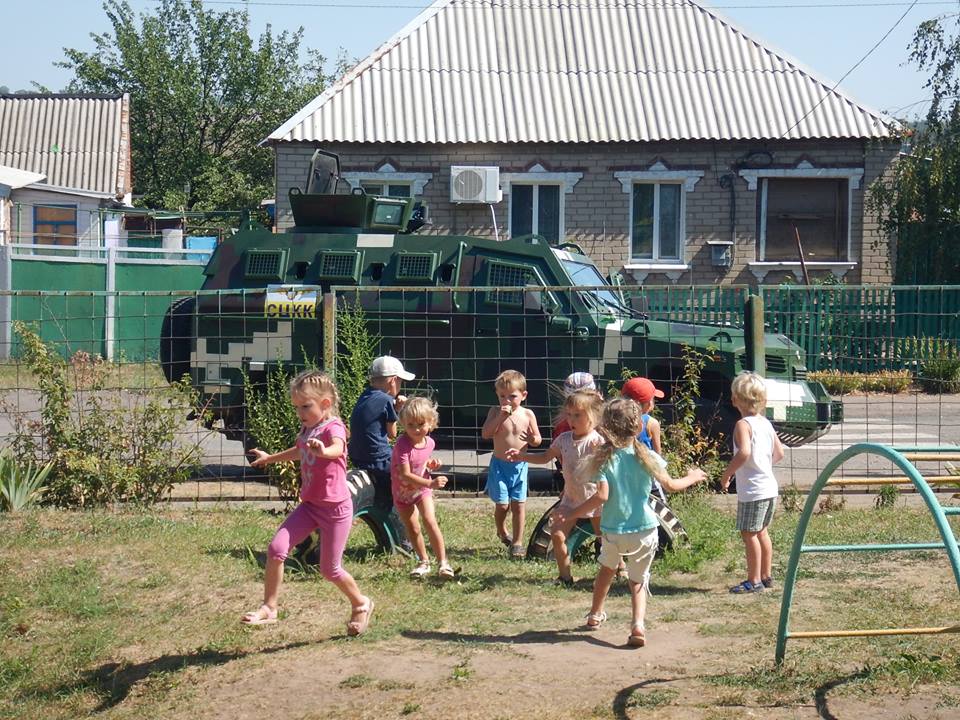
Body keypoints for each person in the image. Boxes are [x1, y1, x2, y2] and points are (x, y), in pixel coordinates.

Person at [555, 397, 706, 647]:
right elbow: (671, 485)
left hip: (613, 530)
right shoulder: (647, 457)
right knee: (638, 579)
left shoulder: (604, 459)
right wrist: (693, 476)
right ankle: (637, 625)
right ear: (638, 428)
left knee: (606, 570)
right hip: (645, 529)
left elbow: (601, 496)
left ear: (604, 428)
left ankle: (595, 614)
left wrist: (571, 514)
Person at [243, 370, 374, 635]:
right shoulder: (308, 428)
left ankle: (361, 604)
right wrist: (270, 458)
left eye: (306, 406)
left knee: (330, 569)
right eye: (296, 407)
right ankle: (269, 607)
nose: (300, 412)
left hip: (336, 510)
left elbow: (338, 447)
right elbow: (299, 450)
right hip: (311, 506)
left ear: (325, 404)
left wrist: (324, 451)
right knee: (276, 549)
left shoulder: (333, 426)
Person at [507, 389, 604, 585]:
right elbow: (544, 457)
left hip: (594, 499)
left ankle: (620, 569)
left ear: (593, 416)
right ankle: (565, 577)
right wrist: (522, 456)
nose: (571, 420)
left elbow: (608, 469)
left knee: (605, 539)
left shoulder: (596, 442)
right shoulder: (564, 439)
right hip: (571, 498)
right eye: (569, 415)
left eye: (577, 415)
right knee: (557, 536)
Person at [720, 371, 784, 594]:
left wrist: (728, 473)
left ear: (736, 399)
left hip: (753, 490)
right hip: (769, 486)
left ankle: (753, 580)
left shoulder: (743, 425)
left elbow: (744, 452)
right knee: (762, 531)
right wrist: (763, 465)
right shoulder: (764, 422)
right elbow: (779, 453)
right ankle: (766, 576)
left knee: (749, 534)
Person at [348, 355, 415, 552]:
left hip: (358, 457)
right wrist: (399, 409)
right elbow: (392, 434)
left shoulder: (365, 396)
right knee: (406, 487)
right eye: (401, 381)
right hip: (378, 458)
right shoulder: (387, 400)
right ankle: (407, 539)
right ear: (393, 380)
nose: (401, 385)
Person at [391, 397, 455, 579]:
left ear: (431, 422)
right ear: (403, 424)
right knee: (413, 528)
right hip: (403, 493)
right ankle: (423, 561)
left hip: (421, 491)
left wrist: (430, 465)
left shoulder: (430, 443)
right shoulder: (402, 445)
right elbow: (405, 474)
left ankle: (443, 563)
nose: (416, 429)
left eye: (420, 424)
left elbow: (420, 462)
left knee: (430, 521)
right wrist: (431, 483)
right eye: (410, 425)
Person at [481, 369, 542, 558]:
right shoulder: (495, 412)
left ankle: (517, 543)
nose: (506, 400)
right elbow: (486, 434)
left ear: (523, 396)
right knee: (502, 505)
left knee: (519, 505)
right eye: (502, 396)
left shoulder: (528, 414)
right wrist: (501, 417)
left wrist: (533, 439)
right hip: (500, 465)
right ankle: (501, 529)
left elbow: (538, 439)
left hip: (520, 465)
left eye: (512, 396)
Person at [621, 376, 667, 503]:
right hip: (648, 474)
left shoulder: (615, 422)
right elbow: (658, 454)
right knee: (661, 507)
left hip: (624, 474)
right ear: (647, 404)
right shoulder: (651, 423)